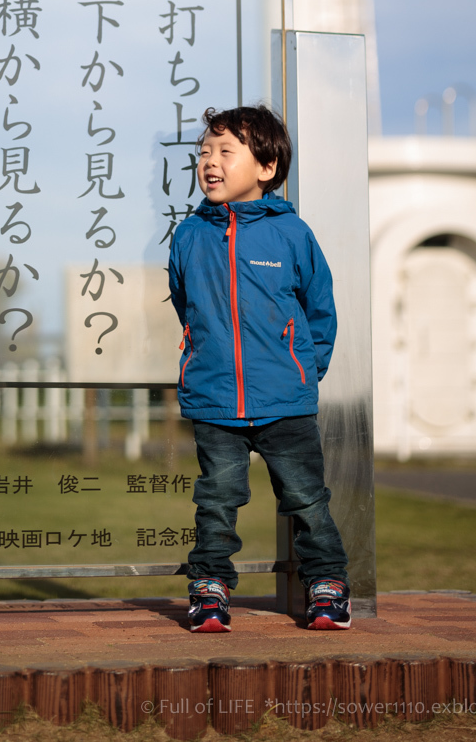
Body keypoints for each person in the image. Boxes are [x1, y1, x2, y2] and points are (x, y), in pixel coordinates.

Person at [168, 104, 350, 633]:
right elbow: (187, 306)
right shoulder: (189, 235)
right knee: (217, 502)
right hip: (215, 400)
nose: (210, 162)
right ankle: (209, 589)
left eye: (226, 151)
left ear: (266, 168)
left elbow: (320, 310)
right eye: (204, 152)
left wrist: (301, 371)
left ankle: (327, 585)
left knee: (306, 499)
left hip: (285, 401)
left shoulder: (292, 234)